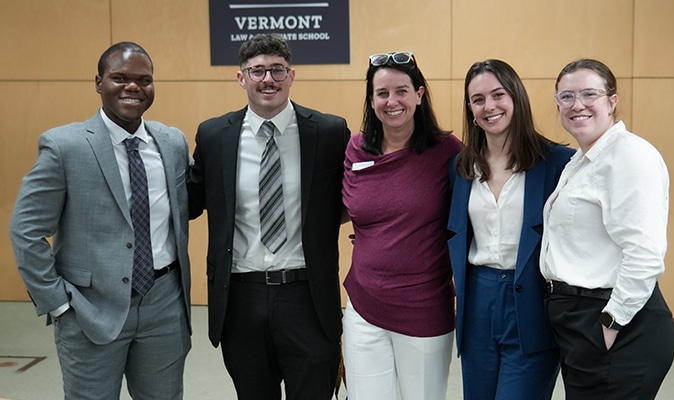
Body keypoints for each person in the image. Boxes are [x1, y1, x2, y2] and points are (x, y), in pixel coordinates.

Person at [9, 41, 192, 399]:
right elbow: (26, 231)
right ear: (98, 83)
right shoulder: (64, 146)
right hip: (89, 309)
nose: (133, 87)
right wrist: (58, 304)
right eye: (120, 78)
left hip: (164, 306)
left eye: (144, 79)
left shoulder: (172, 143)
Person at [187, 33, 350, 400]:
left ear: (291, 75)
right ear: (241, 77)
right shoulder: (214, 136)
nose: (268, 79)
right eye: (257, 71)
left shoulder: (328, 132)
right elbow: (189, 201)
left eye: (277, 70)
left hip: (307, 296)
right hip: (241, 298)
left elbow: (352, 199)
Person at [541, 58, 674, 399]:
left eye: (589, 93)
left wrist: (612, 322)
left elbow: (644, 253)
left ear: (612, 101)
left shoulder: (629, 156)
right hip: (579, 320)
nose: (577, 105)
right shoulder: (582, 160)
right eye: (566, 96)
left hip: (615, 321)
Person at [446, 59, 574, 400]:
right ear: (470, 109)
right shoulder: (460, 167)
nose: (489, 106)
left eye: (498, 94)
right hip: (476, 300)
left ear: (516, 96)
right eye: (477, 99)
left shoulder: (558, 162)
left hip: (533, 300)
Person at [341, 51, 462, 400]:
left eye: (402, 91)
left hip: (424, 308)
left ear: (419, 95)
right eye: (382, 93)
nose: (391, 101)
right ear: (371, 99)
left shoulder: (447, 151)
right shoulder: (356, 148)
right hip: (364, 305)